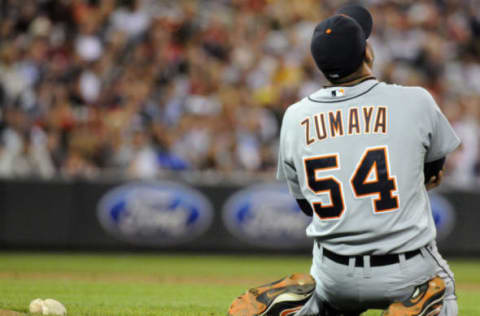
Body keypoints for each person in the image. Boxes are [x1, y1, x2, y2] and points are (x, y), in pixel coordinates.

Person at [228, 5, 460, 316]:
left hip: (333, 273)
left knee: (326, 294)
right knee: (442, 288)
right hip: (407, 268)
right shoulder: (415, 100)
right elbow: (434, 170)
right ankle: (425, 308)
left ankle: (306, 307)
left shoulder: (296, 116)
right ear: (367, 52)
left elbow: (306, 205)